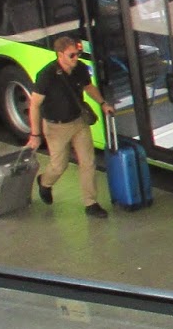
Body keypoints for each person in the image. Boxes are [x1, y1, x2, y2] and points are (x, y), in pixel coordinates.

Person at [25, 35, 112, 219]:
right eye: (71, 55)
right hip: (56, 127)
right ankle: (45, 182)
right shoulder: (46, 75)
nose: (76, 58)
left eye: (77, 54)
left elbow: (89, 87)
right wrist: (35, 134)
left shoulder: (79, 68)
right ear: (60, 55)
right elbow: (34, 105)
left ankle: (91, 203)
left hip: (78, 122)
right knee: (59, 166)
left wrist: (103, 103)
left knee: (88, 162)